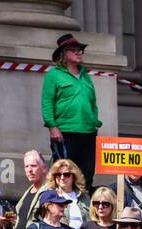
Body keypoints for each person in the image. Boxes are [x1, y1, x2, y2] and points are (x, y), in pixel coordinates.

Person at [41, 34, 101, 190]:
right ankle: (60, 205)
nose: (79, 52)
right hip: (65, 131)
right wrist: (52, 126)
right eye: (74, 50)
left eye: (80, 50)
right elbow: (47, 102)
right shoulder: (54, 74)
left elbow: (92, 101)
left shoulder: (85, 76)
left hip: (88, 131)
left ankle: (83, 207)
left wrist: (95, 121)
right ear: (64, 54)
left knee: (87, 172)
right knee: (63, 171)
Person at [14, 151, 50, 229]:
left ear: (44, 168)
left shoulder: (50, 193)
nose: (29, 170)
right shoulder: (27, 193)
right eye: (26, 166)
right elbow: (20, 225)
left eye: (33, 166)